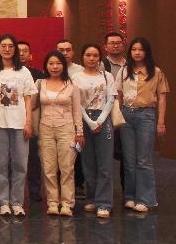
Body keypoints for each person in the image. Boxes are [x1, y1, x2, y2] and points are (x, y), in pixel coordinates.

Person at [0, 35, 36, 217]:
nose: (7, 49)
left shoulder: (24, 72)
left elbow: (28, 98)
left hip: (20, 123)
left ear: (15, 49)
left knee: (20, 164)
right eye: (3, 46)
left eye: (10, 46)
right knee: (1, 164)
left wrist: (29, 121)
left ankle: (17, 202)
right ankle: (3, 202)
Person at [117, 37, 169, 213]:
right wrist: (118, 116)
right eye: (134, 49)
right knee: (129, 160)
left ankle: (146, 199)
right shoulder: (124, 71)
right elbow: (119, 96)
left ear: (147, 52)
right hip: (126, 115)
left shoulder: (156, 72)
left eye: (141, 49)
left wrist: (160, 122)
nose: (137, 52)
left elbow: (162, 98)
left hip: (146, 115)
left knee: (144, 160)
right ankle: (130, 197)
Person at [38, 51, 84, 216]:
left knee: (67, 167)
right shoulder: (40, 84)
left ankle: (66, 203)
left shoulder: (71, 85)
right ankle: (52, 202)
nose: (55, 67)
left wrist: (79, 132)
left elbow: (77, 110)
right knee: (49, 168)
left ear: (63, 66)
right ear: (46, 66)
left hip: (67, 129)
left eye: (58, 63)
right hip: (45, 129)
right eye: (51, 63)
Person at [72, 44, 116, 218]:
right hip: (84, 119)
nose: (91, 58)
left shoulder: (107, 76)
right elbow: (77, 103)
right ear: (82, 57)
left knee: (104, 163)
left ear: (99, 58)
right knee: (87, 162)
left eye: (95, 55)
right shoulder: (76, 77)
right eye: (88, 55)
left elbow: (111, 99)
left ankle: (104, 203)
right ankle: (91, 198)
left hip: (103, 118)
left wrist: (100, 120)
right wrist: (90, 122)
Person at [56, 39, 85, 197]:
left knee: (77, 152)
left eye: (68, 50)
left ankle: (78, 184)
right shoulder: (51, 69)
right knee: (59, 155)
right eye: (61, 50)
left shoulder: (80, 71)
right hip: (57, 119)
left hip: (78, 117)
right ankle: (59, 186)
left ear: (73, 52)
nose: (65, 53)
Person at [18, 40, 45, 203]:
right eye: (19, 50)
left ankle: (34, 190)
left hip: (32, 120)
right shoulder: (6, 72)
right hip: (12, 120)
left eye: (25, 51)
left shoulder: (38, 74)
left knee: (34, 157)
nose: (21, 54)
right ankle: (15, 193)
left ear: (30, 55)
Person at [102, 32, 127, 191]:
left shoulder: (129, 65)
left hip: (125, 112)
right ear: (105, 46)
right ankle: (104, 190)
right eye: (112, 43)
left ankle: (127, 189)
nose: (115, 45)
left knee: (126, 153)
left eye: (118, 42)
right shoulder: (101, 64)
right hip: (105, 113)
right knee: (105, 154)